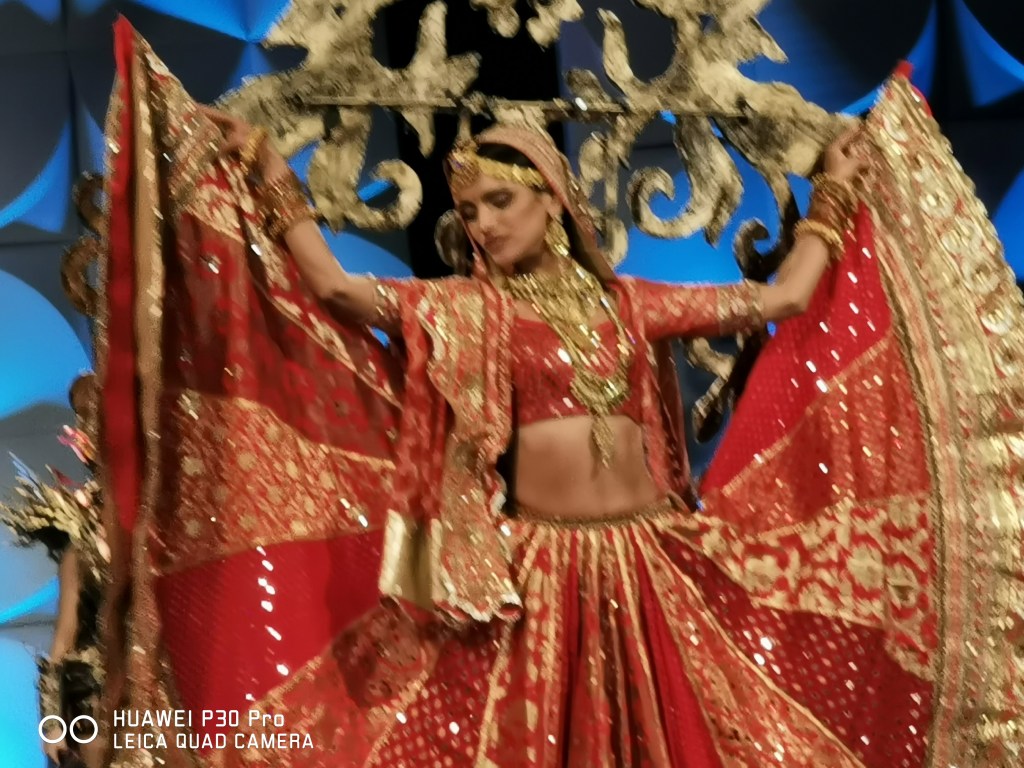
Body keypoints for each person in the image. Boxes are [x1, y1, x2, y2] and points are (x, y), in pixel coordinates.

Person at [97, 21, 1022, 768]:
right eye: (468, 212)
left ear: (551, 197)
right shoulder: (470, 309)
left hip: (653, 562)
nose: (480, 224)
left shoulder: (632, 302)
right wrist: (271, 175)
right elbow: (337, 291)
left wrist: (833, 198)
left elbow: (782, 300)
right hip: (538, 580)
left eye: (498, 202)